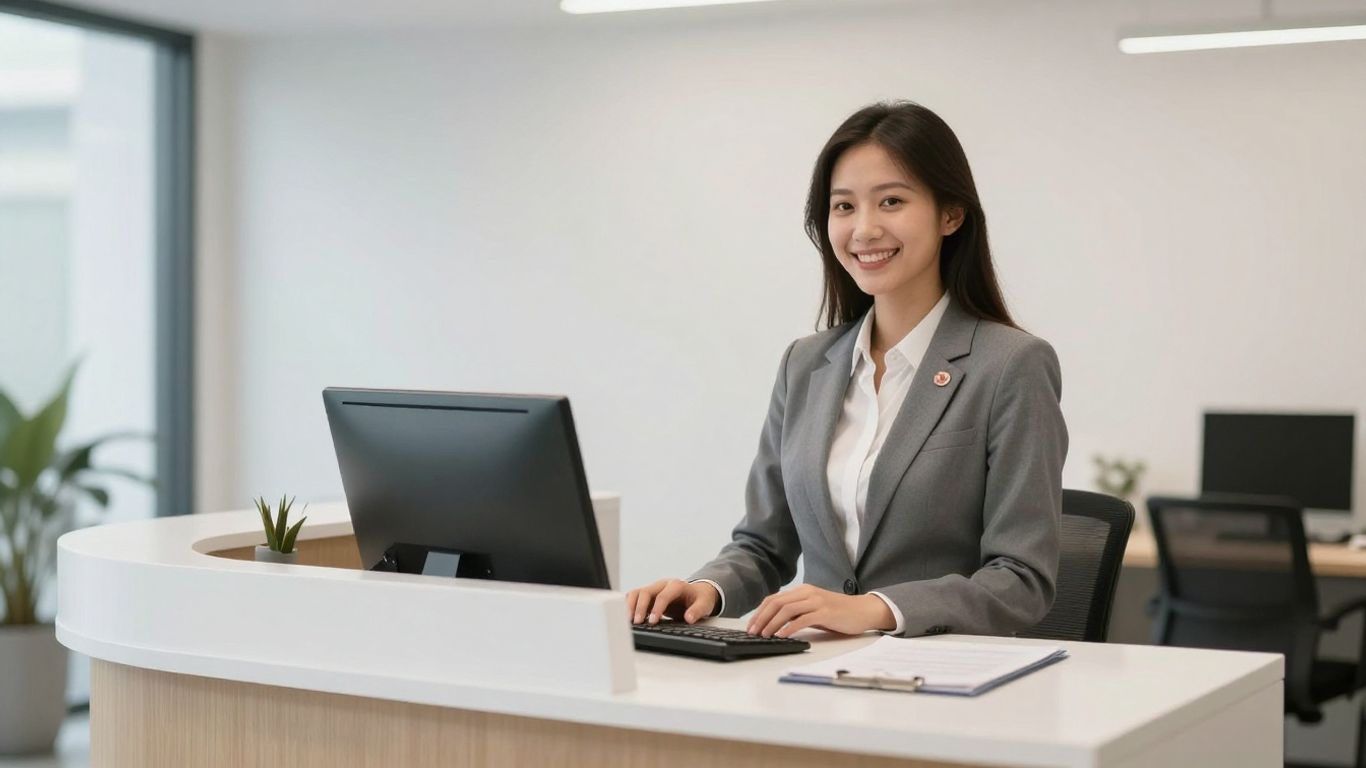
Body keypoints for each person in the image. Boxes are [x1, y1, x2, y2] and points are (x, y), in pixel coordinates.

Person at [626, 101, 1067, 639]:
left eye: (892, 201)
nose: (864, 229)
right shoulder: (805, 364)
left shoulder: (1011, 366)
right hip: (819, 673)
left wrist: (879, 609)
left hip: (947, 681)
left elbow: (1022, 579)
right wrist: (704, 592)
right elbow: (764, 545)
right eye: (843, 207)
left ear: (950, 214)